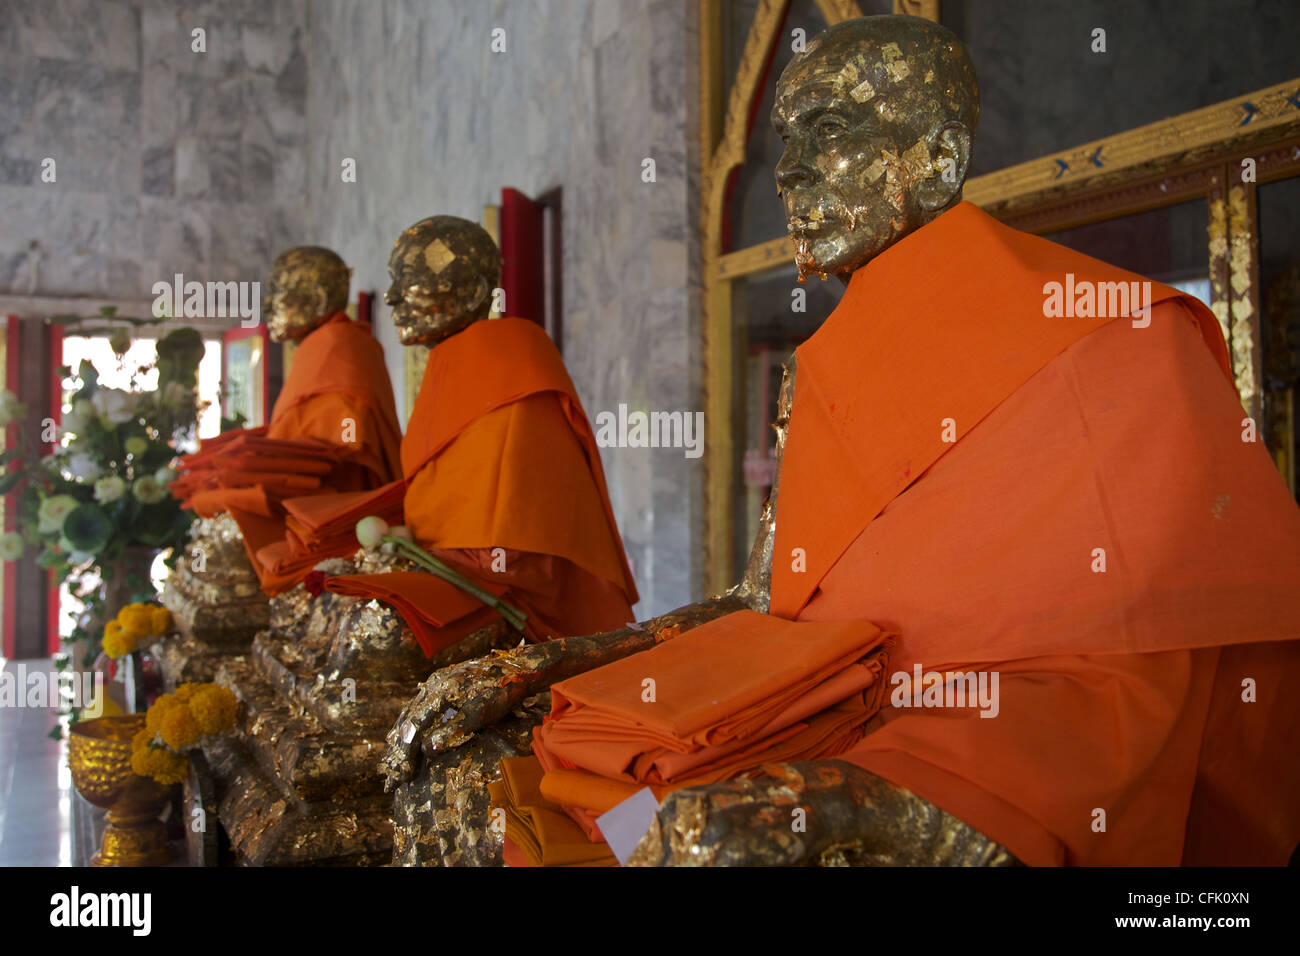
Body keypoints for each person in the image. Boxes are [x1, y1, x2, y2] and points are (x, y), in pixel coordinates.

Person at [384, 15, 1300, 867]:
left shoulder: (1117, 340)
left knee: (713, 837)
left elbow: (1132, 711)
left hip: (966, 771)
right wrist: (539, 665)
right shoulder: (823, 365)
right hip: (811, 721)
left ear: (937, 160)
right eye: (786, 138)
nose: (789, 172)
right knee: (481, 783)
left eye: (831, 130)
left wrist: (849, 798)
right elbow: (758, 608)